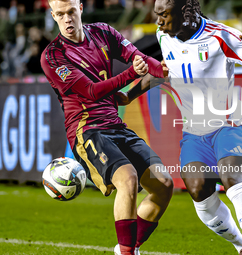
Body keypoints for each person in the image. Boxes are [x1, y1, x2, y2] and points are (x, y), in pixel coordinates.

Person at [122, 0, 242, 254]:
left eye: (164, 15)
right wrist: (127, 96)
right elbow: (164, 72)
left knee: (232, 178)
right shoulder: (164, 37)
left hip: (228, 125)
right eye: (157, 15)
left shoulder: (222, 36)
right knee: (199, 191)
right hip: (194, 134)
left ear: (184, 13)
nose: (158, 21)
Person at [40, 1, 173, 255]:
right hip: (87, 129)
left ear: (80, 8)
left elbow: (142, 59)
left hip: (115, 124)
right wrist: (130, 75)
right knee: (128, 179)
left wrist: (167, 68)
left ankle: (128, 248)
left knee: (164, 185)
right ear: (52, 15)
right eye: (60, 15)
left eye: (70, 12)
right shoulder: (53, 56)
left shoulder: (103, 32)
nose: (67, 19)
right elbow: (90, 91)